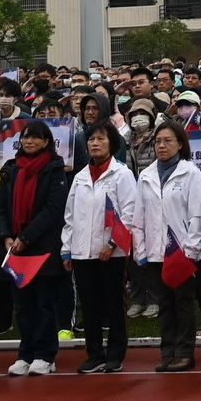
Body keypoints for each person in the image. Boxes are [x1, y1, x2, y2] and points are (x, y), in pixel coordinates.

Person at [0, 119, 69, 375]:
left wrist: (26, 237)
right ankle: (25, 353)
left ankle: (46, 355)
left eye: (35, 137)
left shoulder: (55, 170)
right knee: (23, 305)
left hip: (42, 248)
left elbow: (53, 210)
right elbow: (0, 207)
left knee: (45, 303)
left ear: (47, 142)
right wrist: (6, 237)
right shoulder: (11, 169)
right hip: (14, 249)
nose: (29, 141)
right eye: (25, 137)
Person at [63, 121, 138, 373]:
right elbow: (70, 216)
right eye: (91, 139)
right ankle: (94, 354)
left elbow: (128, 212)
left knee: (114, 303)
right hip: (83, 251)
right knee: (90, 304)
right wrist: (67, 249)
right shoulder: (80, 177)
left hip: (111, 253)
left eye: (101, 139)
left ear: (112, 144)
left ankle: (115, 354)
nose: (95, 143)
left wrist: (112, 242)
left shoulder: (122, 173)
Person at [134, 119, 201, 372]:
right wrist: (141, 250)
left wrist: (192, 248)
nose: (161, 146)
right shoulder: (146, 175)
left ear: (180, 144)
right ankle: (168, 350)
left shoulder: (191, 173)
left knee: (183, 302)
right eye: (158, 141)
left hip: (181, 251)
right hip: (155, 251)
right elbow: (138, 216)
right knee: (164, 303)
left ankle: (185, 351)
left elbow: (198, 213)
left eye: (168, 141)